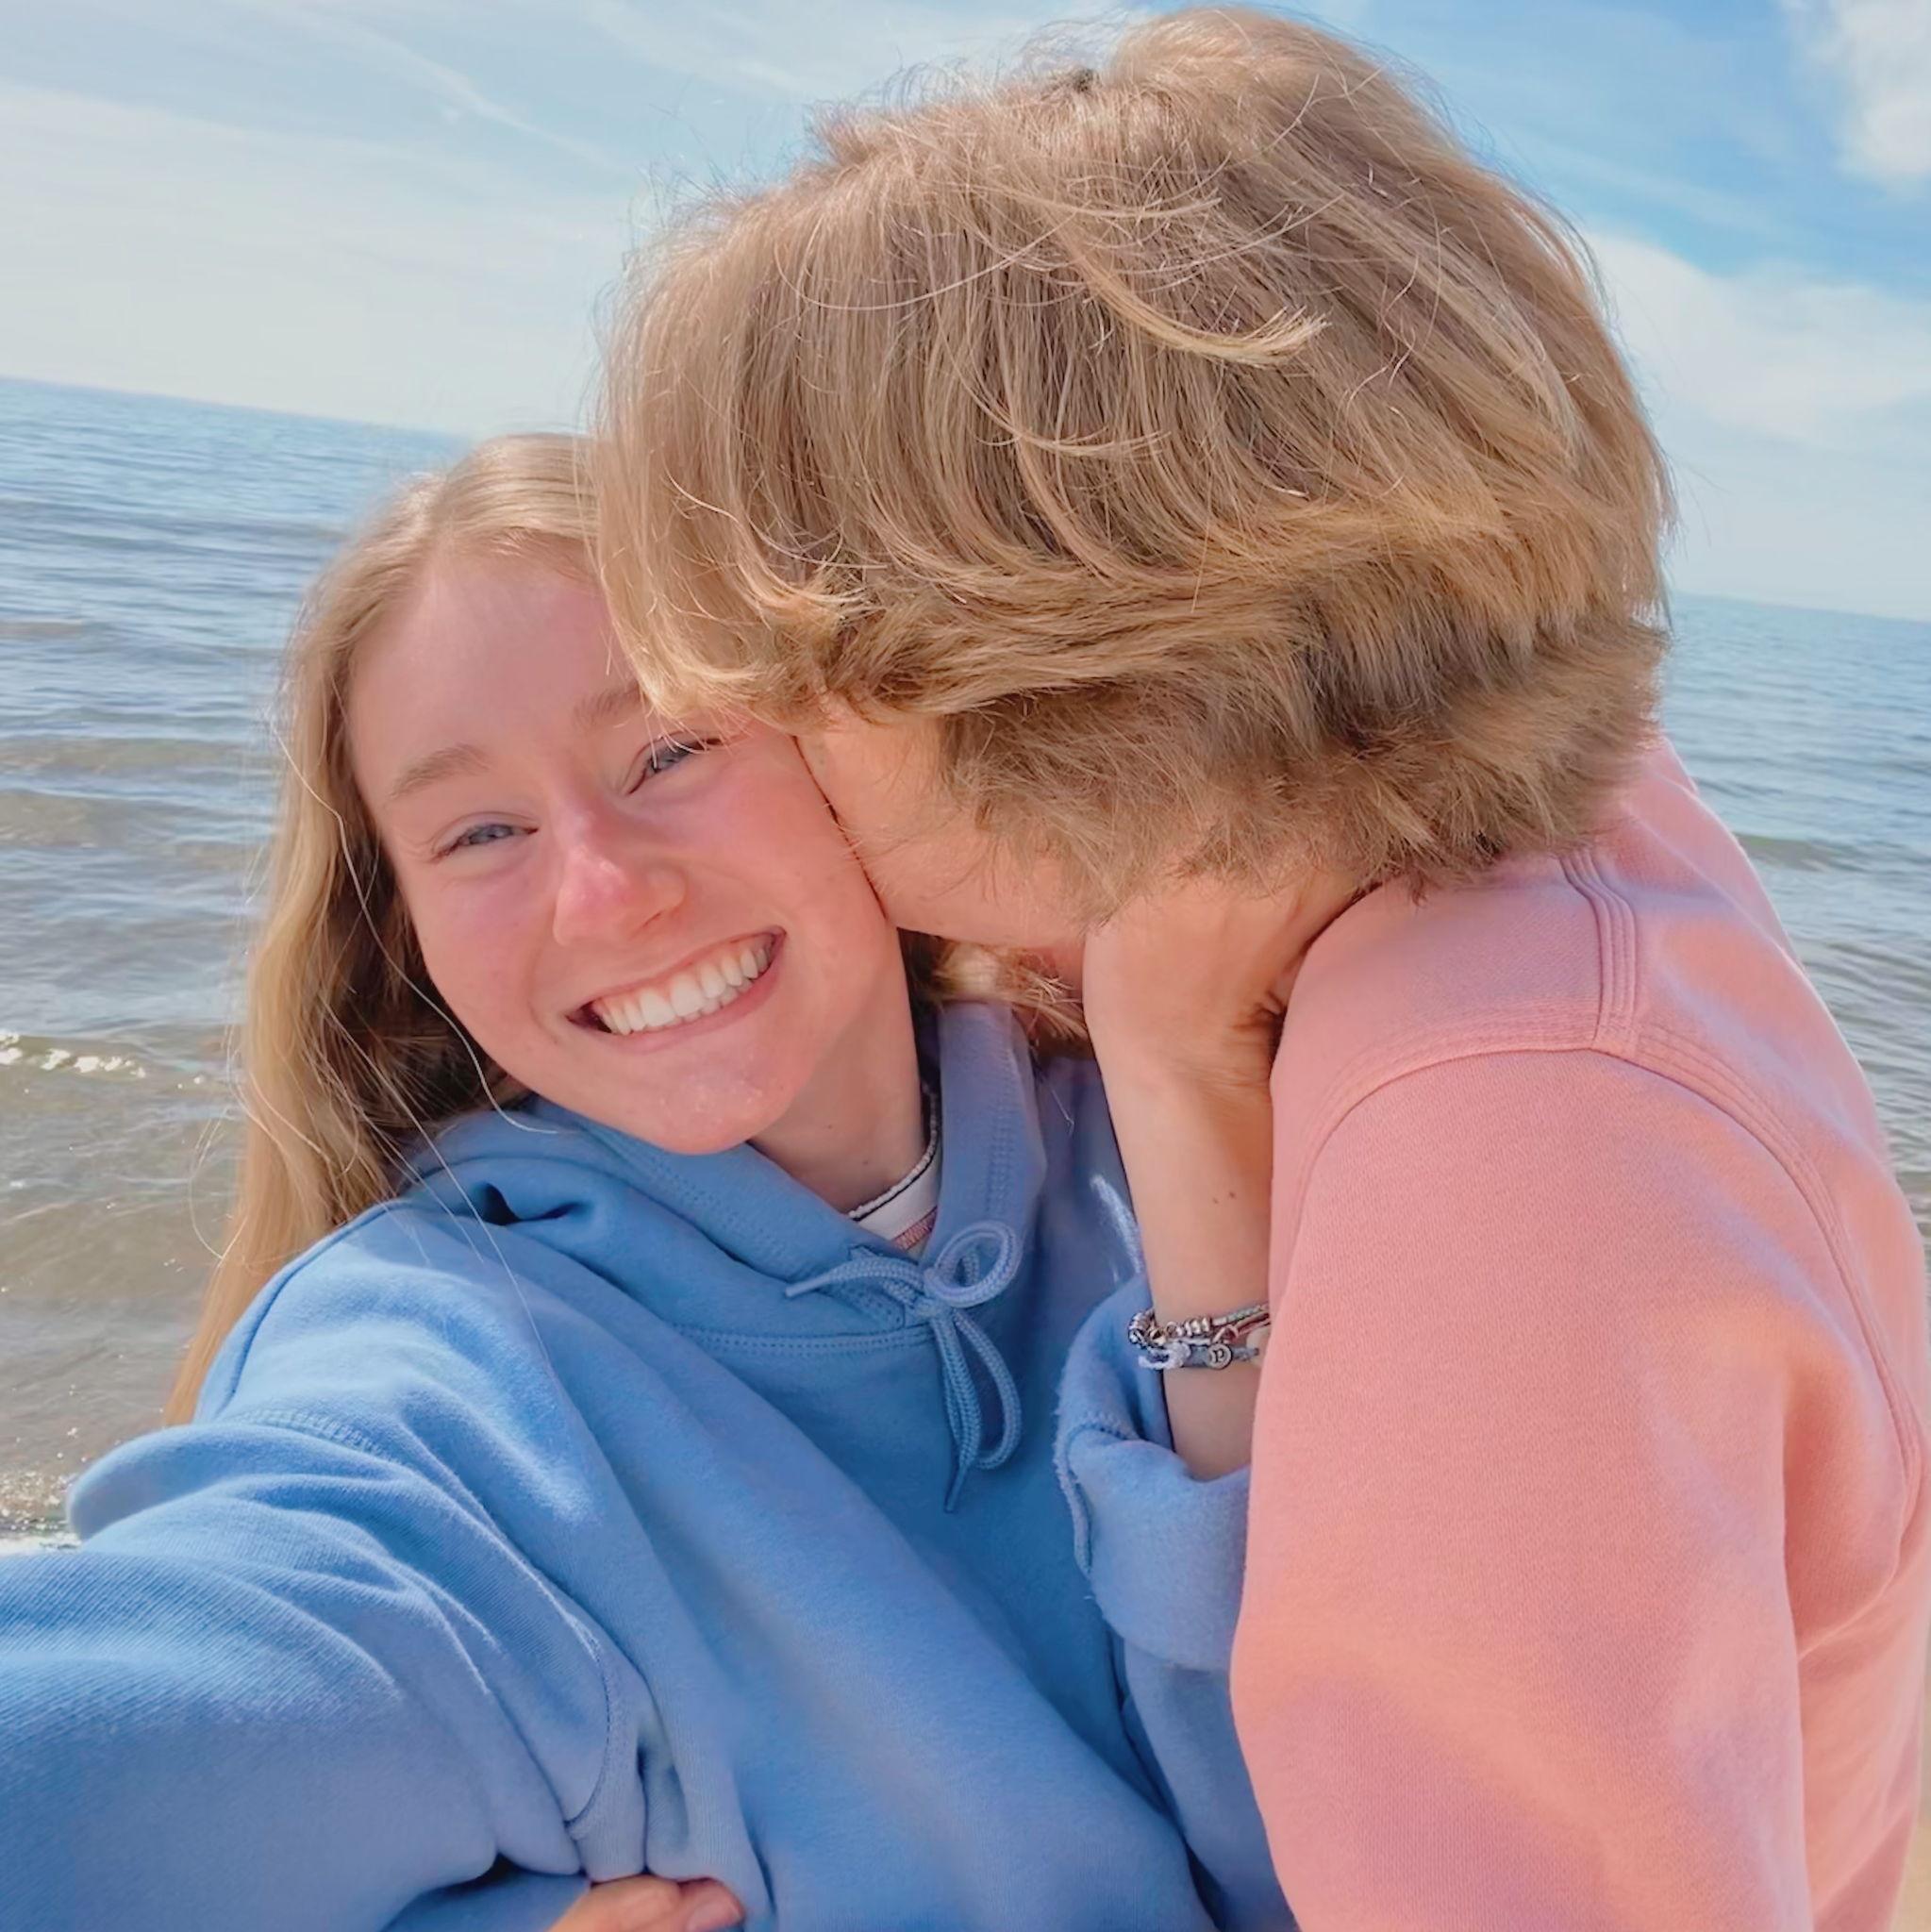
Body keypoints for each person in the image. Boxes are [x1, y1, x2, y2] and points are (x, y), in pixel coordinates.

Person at [592, 10, 1931, 1930]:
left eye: (805, 675)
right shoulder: (1551, 848)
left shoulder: (1503, 1146)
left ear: (1053, 647)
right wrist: (1165, 1045)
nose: (762, 742)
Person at [0, 434, 1290, 1932]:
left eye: (673, 747)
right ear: (403, 937)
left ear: (849, 752)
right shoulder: (459, 1393)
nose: (605, 889)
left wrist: (1190, 1094)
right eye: (480, 833)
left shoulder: (1236, 1088)